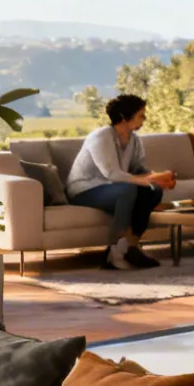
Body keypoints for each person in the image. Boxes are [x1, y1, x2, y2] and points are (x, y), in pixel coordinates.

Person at [66, 94, 174, 270]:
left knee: (153, 191)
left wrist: (159, 178)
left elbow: (138, 169)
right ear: (124, 117)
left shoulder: (134, 139)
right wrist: (146, 181)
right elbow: (111, 173)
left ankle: (131, 247)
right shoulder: (101, 137)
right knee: (128, 191)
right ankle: (114, 253)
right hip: (85, 190)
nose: (145, 119)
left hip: (115, 188)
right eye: (141, 115)